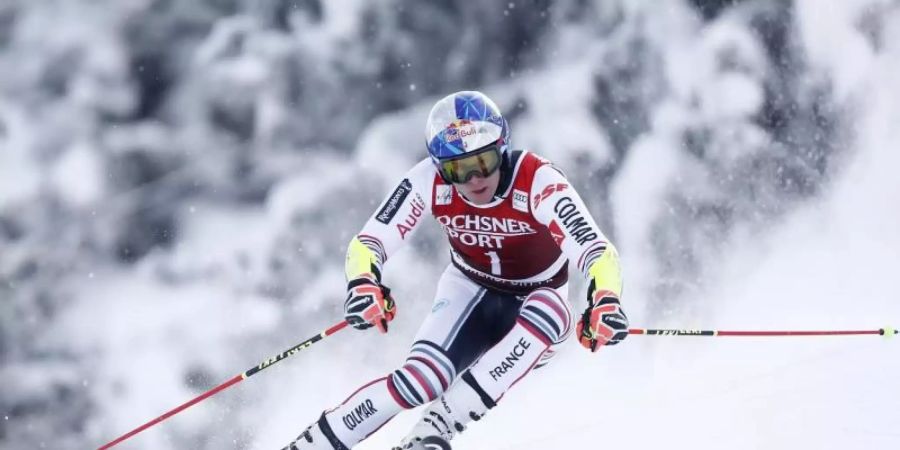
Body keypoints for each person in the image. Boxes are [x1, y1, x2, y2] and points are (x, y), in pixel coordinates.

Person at [282, 91, 628, 450]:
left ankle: (431, 433)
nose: (475, 179)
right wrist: (363, 283)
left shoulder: (538, 181)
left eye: (486, 161)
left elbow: (597, 250)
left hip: (534, 308)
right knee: (421, 381)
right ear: (439, 166)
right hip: (468, 292)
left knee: (553, 309)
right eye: (457, 170)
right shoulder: (427, 180)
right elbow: (369, 241)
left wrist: (604, 300)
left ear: (503, 148)